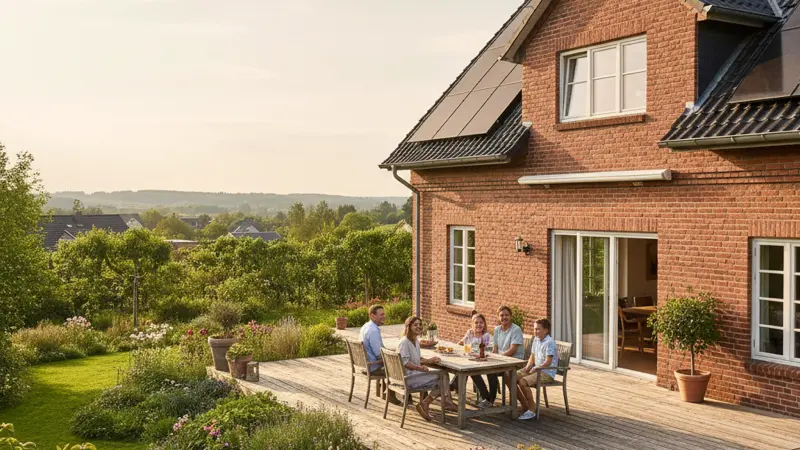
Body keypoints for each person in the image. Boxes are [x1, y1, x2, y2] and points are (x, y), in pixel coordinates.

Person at [397, 316, 457, 421]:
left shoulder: (415, 341)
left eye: (420, 324)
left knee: (443, 376)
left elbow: (417, 359)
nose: (419, 326)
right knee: (442, 378)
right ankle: (431, 403)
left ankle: (441, 401)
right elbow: (406, 363)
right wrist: (420, 368)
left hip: (413, 375)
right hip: (409, 378)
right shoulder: (404, 342)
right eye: (415, 325)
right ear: (408, 327)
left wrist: (429, 360)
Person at [449, 313, 497, 409]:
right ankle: (486, 399)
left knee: (474, 371)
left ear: (484, 324)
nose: (479, 325)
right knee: (468, 369)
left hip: (485, 362)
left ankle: (454, 384)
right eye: (476, 323)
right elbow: (462, 344)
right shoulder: (470, 333)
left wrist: (482, 355)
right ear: (472, 324)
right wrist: (455, 348)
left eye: (481, 322)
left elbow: (491, 351)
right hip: (471, 361)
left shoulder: (487, 336)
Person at [516, 318, 558, 420]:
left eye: (538, 329)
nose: (535, 331)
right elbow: (532, 356)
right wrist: (527, 367)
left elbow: (548, 362)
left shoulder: (550, 342)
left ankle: (532, 408)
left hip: (546, 372)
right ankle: (523, 403)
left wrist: (535, 368)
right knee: (512, 376)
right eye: (535, 329)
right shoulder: (536, 339)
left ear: (546, 330)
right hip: (536, 369)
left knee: (522, 382)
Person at [359, 304, 402, 405]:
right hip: (373, 367)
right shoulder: (373, 330)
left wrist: (391, 352)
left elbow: (379, 349)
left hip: (366, 365)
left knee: (399, 361)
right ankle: (391, 394)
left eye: (384, 314)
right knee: (401, 367)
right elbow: (379, 355)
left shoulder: (366, 326)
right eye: (381, 315)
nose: (384, 316)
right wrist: (395, 357)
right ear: (372, 316)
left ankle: (388, 391)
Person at [486, 305, 525, 407]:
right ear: (498, 317)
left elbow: (512, 350)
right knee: (487, 370)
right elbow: (495, 348)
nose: (504, 317)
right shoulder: (497, 329)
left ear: (511, 316)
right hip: (501, 361)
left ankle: (522, 403)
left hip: (515, 362)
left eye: (506, 315)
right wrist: (491, 357)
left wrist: (497, 358)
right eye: (501, 315)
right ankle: (488, 399)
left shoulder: (516, 330)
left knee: (506, 374)